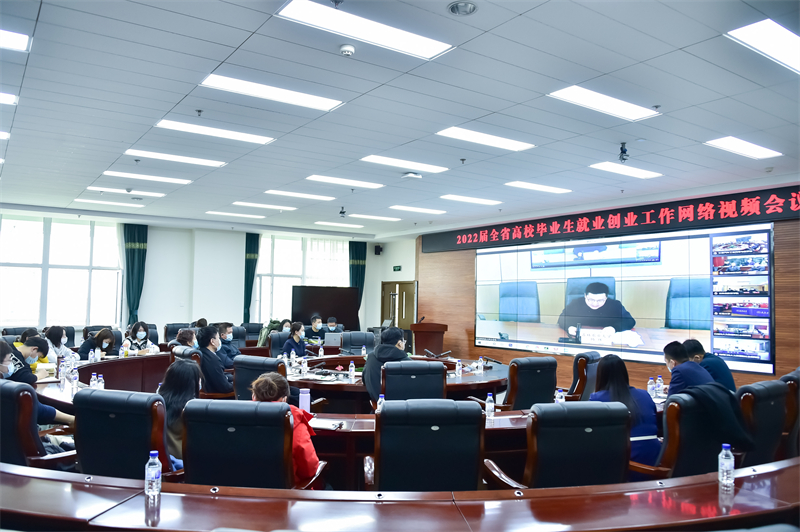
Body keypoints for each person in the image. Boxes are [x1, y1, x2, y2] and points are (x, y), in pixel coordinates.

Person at [590, 355, 660, 480]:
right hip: (654, 462)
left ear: (601, 375)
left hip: (626, 468)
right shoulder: (644, 395)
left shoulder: (596, 399)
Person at [251, 372, 320, 486]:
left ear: (253, 396)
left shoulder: (234, 419)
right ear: (284, 399)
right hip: (287, 494)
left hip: (239, 492)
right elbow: (309, 470)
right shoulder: (295, 424)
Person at [158, 358, 201, 464]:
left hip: (162, 461)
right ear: (192, 383)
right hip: (185, 464)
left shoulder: (157, 403)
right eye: (199, 378)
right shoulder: (191, 409)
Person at [557, 282, 635, 335]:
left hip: (606, 339)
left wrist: (614, 328)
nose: (595, 304)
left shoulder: (615, 305)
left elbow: (630, 321)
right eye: (591, 299)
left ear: (606, 297)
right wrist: (569, 327)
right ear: (585, 296)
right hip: (580, 339)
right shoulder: (576, 303)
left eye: (600, 300)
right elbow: (562, 319)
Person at [363, 327, 410, 403]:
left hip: (377, 405)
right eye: (404, 341)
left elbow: (364, 378)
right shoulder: (407, 362)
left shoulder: (371, 357)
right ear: (399, 344)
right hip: (401, 407)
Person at [195, 326, 233, 394]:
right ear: (212, 341)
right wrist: (238, 385)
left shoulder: (200, 353)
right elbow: (225, 387)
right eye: (218, 338)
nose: (219, 341)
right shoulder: (212, 360)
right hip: (216, 396)